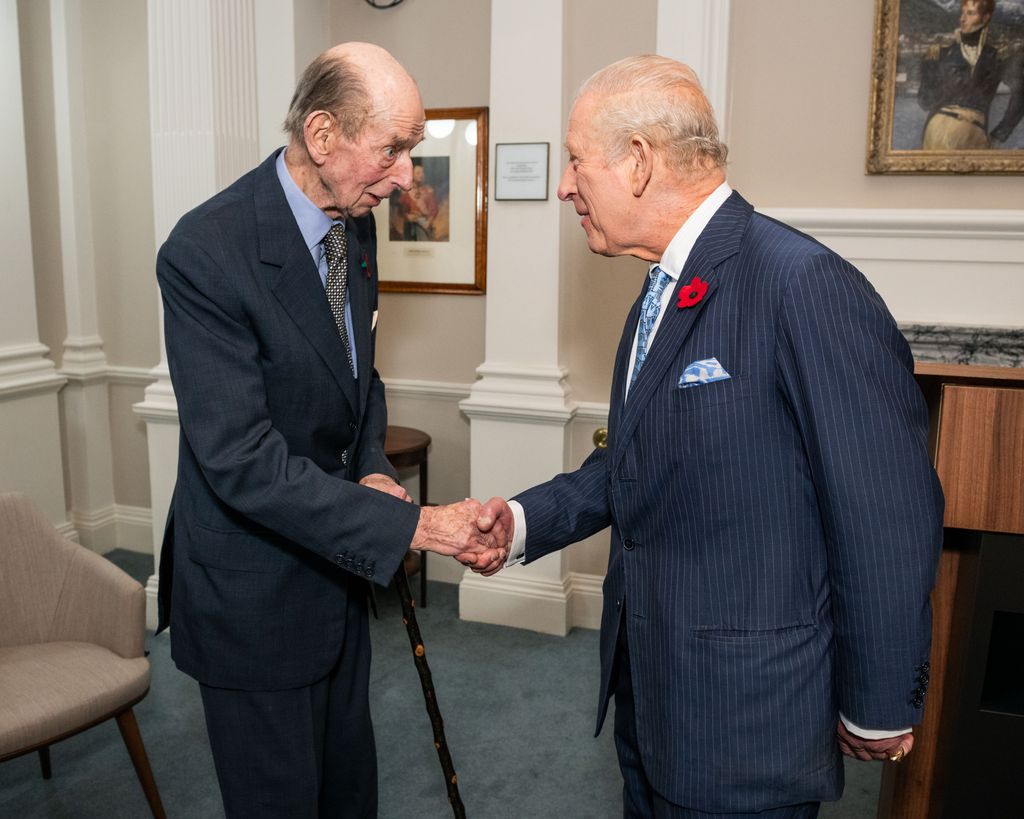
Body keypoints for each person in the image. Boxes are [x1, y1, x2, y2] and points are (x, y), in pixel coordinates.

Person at [475, 55, 945, 818]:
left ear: (636, 162)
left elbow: (886, 513)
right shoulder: (658, 291)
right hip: (654, 697)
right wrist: (523, 520)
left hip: (746, 726)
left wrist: (882, 699)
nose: (564, 184)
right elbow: (634, 460)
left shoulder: (803, 286)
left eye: (574, 159)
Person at [155, 42, 506, 818]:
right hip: (252, 595)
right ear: (323, 136)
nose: (408, 174)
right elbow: (242, 461)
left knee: (349, 792)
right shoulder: (205, 252)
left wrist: (372, 463)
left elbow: (358, 379)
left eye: (411, 150)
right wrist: (410, 522)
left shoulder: (357, 224)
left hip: (337, 575)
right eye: (394, 148)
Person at [918, 0, 1019, 149]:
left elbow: (1020, 94)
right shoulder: (942, 52)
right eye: (963, 13)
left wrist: (1000, 134)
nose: (962, 19)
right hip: (937, 130)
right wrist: (929, 69)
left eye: (970, 13)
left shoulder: (997, 56)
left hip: (974, 134)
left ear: (985, 18)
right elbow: (924, 101)